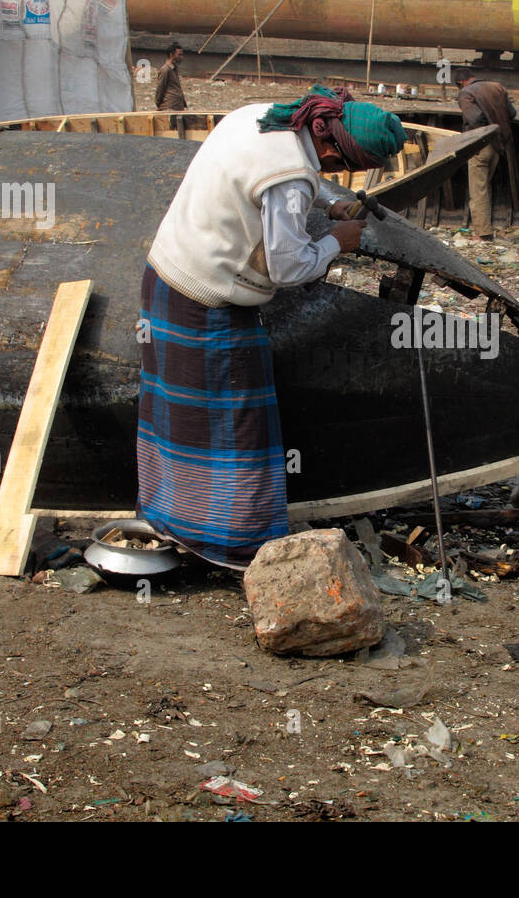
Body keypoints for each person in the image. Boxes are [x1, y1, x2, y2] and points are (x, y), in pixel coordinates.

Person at [137, 86, 406, 569]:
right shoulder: (292, 177)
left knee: (175, 420)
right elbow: (287, 269)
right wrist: (335, 244)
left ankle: (169, 518)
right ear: (330, 145)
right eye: (339, 167)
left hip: (164, 274)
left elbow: (292, 172)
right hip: (208, 301)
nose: (336, 175)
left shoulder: (264, 117)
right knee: (238, 426)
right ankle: (230, 546)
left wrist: (330, 201)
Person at [455, 67, 517, 241]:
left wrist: (470, 138)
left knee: (478, 190)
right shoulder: (497, 87)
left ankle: (483, 233)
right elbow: (512, 113)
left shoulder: (466, 93)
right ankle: (486, 227)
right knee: (485, 187)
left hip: (481, 145)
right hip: (499, 143)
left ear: (460, 83)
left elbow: (474, 119)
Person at [154, 43, 187, 111]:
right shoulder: (165, 69)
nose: (181, 57)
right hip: (169, 106)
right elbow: (160, 89)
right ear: (171, 55)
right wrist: (160, 104)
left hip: (177, 106)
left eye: (182, 55)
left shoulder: (174, 68)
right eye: (179, 55)